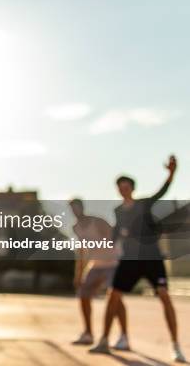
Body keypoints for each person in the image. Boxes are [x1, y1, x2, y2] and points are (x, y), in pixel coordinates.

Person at [90, 155, 186, 363]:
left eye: (126, 186)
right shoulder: (118, 211)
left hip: (152, 257)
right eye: (120, 186)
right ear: (118, 190)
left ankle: (176, 346)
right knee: (113, 295)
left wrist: (171, 173)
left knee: (164, 295)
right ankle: (104, 340)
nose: (123, 189)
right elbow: (115, 236)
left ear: (132, 188)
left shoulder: (143, 204)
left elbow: (162, 192)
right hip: (130, 260)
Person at [69, 199, 128, 348]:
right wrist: (79, 274)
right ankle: (88, 334)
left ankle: (124, 337)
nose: (75, 211)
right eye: (72, 209)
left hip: (112, 262)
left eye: (77, 207)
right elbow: (81, 251)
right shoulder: (75, 227)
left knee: (115, 298)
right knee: (83, 295)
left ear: (82, 208)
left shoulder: (98, 222)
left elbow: (114, 239)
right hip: (95, 265)